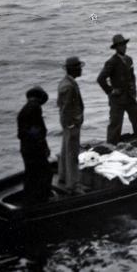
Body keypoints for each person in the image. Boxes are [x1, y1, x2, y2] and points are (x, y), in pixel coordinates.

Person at [97, 34, 137, 144]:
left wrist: (134, 91)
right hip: (117, 100)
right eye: (121, 45)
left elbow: (132, 77)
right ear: (116, 48)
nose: (124, 47)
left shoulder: (129, 60)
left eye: (124, 45)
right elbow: (101, 79)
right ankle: (110, 148)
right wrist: (111, 91)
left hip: (130, 97)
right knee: (115, 125)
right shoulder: (111, 62)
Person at [18, 86, 52, 203]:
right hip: (35, 149)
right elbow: (38, 132)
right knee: (46, 173)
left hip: (25, 148)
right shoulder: (35, 108)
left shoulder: (24, 109)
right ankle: (43, 200)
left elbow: (24, 132)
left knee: (31, 174)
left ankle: (29, 199)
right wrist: (44, 147)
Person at [57, 57, 85, 192]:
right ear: (74, 69)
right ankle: (73, 185)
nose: (81, 69)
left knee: (65, 151)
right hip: (72, 124)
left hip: (68, 124)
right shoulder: (69, 86)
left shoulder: (65, 83)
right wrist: (71, 125)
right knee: (72, 154)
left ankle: (63, 177)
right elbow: (66, 109)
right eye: (79, 67)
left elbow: (60, 106)